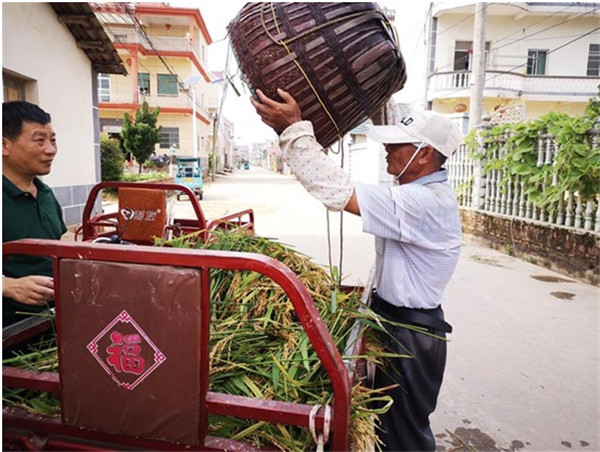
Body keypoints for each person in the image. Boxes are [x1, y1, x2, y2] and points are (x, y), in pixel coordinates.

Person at [252, 88, 462, 451]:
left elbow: (337, 190)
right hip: (400, 327)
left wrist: (295, 130)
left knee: (404, 439)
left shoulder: (422, 202)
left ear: (424, 155)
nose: (386, 149)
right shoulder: (414, 190)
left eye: (397, 145)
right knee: (391, 432)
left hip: (410, 337)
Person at [2, 101, 67, 327]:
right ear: (4, 145)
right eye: (39, 140)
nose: (50, 149)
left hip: (49, 321)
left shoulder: (46, 194)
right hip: (10, 332)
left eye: (53, 140)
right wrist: (8, 286)